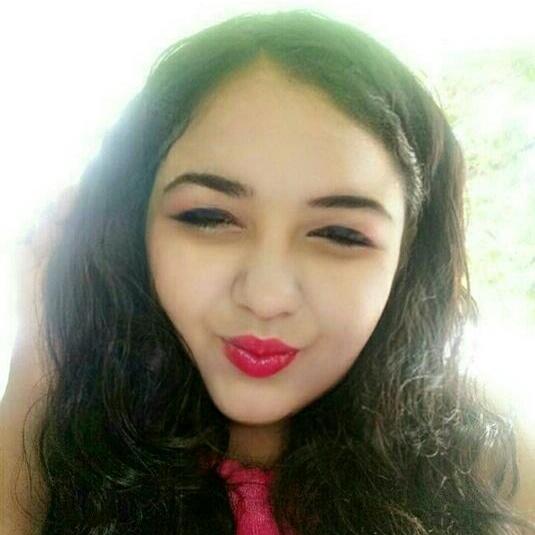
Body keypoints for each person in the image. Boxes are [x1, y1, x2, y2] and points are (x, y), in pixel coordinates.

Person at [1, 9, 534, 534]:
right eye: (208, 217)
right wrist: (39, 358)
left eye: (340, 234)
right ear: (131, 227)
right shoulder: (51, 455)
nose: (266, 296)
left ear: (406, 261)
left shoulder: (491, 467)